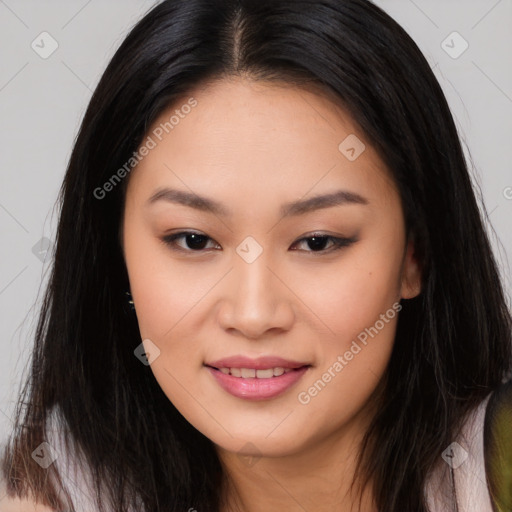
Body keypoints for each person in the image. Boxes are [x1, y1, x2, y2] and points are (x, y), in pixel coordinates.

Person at [1, 0, 511, 511]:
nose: (253, 314)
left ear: (413, 256)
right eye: (193, 240)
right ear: (117, 256)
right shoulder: (45, 492)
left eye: (317, 242)